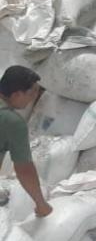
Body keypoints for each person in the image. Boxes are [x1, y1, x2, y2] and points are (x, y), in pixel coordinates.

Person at [0, 66, 52, 218]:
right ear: (16, 94)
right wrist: (41, 204)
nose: (33, 98)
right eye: (31, 93)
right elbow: (24, 169)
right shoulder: (12, 122)